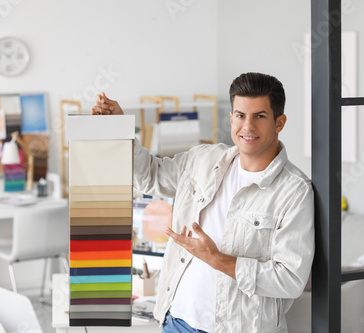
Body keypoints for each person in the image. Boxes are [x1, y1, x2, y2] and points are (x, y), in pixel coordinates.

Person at [92, 72, 314, 333]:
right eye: (241, 115)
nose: (248, 127)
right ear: (231, 118)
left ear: (279, 122)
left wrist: (218, 259)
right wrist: (120, 129)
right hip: (177, 322)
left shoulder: (295, 191)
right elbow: (151, 176)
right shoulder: (203, 160)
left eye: (260, 116)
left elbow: (290, 279)